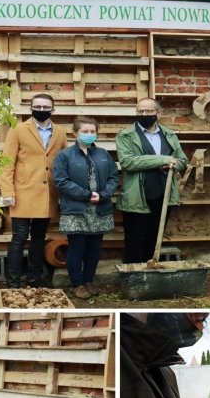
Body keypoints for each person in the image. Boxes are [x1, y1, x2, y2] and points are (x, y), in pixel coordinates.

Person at [0, 93, 67, 288]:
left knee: (39, 238)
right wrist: (7, 193)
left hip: (48, 194)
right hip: (22, 192)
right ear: (31, 108)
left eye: (46, 107)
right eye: (38, 106)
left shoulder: (60, 132)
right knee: (19, 237)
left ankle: (34, 279)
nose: (42, 110)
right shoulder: (18, 129)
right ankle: (13, 283)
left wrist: (62, 194)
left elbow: (63, 163)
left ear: (53, 110)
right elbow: (7, 163)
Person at [52, 117, 119, 299]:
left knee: (95, 248)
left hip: (99, 208)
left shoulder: (103, 154)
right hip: (76, 208)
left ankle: (89, 280)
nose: (89, 135)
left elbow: (114, 177)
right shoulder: (64, 156)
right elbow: (61, 181)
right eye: (85, 131)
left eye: (92, 132)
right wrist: (86, 195)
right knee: (77, 247)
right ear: (75, 133)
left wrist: (103, 194)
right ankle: (77, 283)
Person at [116, 98, 189, 264]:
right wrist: (162, 160)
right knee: (134, 240)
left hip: (163, 195)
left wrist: (175, 164)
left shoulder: (169, 134)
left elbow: (183, 160)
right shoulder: (125, 135)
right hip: (137, 196)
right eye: (140, 111)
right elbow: (128, 162)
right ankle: (134, 278)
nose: (143, 114)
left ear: (158, 113)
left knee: (154, 239)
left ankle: (149, 276)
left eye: (148, 111)